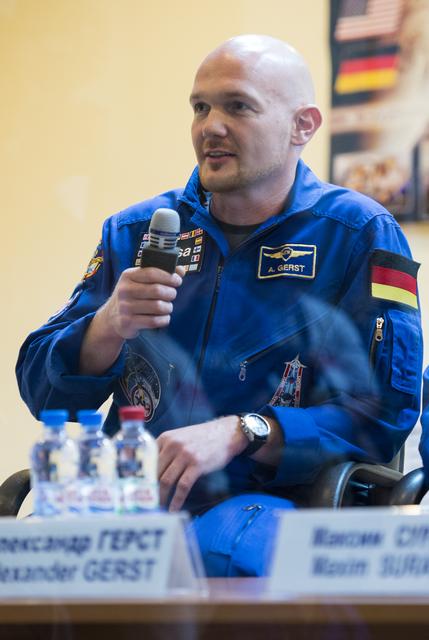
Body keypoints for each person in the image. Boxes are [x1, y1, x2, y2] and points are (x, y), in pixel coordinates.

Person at [17, 35, 423, 577]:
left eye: (238, 106)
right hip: (133, 502)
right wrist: (107, 326)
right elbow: (42, 390)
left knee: (223, 554)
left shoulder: (358, 233)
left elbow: (385, 413)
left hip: (276, 501)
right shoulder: (136, 231)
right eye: (200, 107)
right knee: (27, 563)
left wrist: (245, 432)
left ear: (303, 126)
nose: (210, 126)